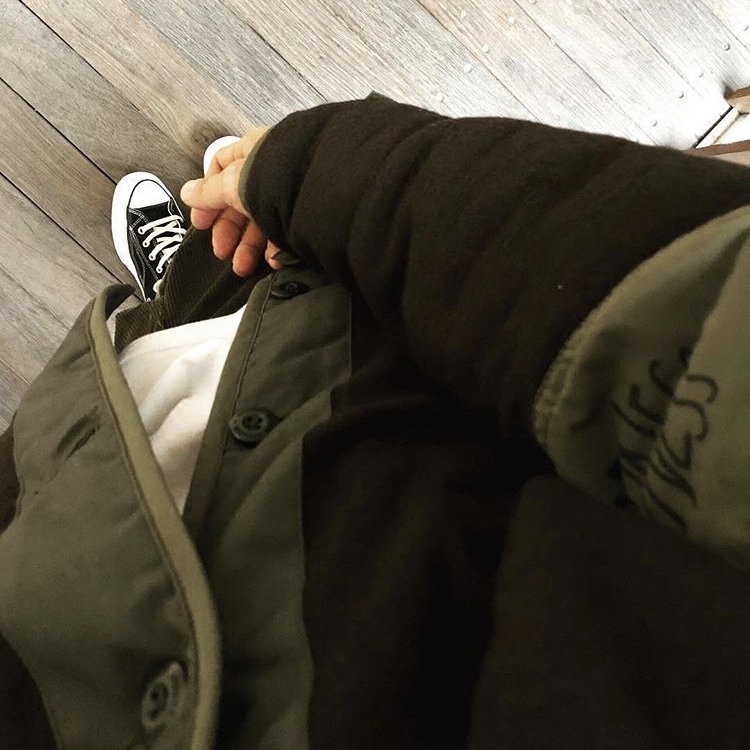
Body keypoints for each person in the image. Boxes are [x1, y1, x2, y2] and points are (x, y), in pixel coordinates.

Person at [3, 93, 750, 749]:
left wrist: (304, 168)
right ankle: (190, 280)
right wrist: (295, 177)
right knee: (237, 291)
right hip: (340, 400)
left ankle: (198, 284)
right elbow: (673, 314)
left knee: (209, 330)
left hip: (70, 529)